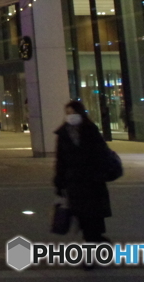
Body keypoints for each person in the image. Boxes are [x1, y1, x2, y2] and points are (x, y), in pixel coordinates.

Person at [54, 100, 112, 247]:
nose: (71, 116)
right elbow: (60, 160)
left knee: (93, 218)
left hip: (93, 182)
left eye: (73, 113)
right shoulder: (63, 134)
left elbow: (102, 153)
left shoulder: (90, 129)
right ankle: (97, 244)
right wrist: (59, 182)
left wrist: (99, 172)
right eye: (68, 113)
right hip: (74, 183)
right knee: (83, 218)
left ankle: (93, 249)